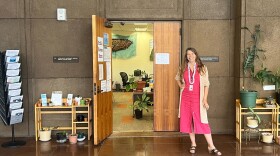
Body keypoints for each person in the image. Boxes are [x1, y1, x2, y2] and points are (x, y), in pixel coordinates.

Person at [175, 47, 222, 155]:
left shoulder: (202, 68)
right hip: (186, 98)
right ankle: (193, 144)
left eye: (192, 54)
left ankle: (211, 146)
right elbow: (177, 78)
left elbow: (206, 85)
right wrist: (181, 85)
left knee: (203, 122)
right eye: (188, 54)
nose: (190, 56)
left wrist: (205, 99)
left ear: (196, 55)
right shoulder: (183, 68)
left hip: (198, 99)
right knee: (189, 121)